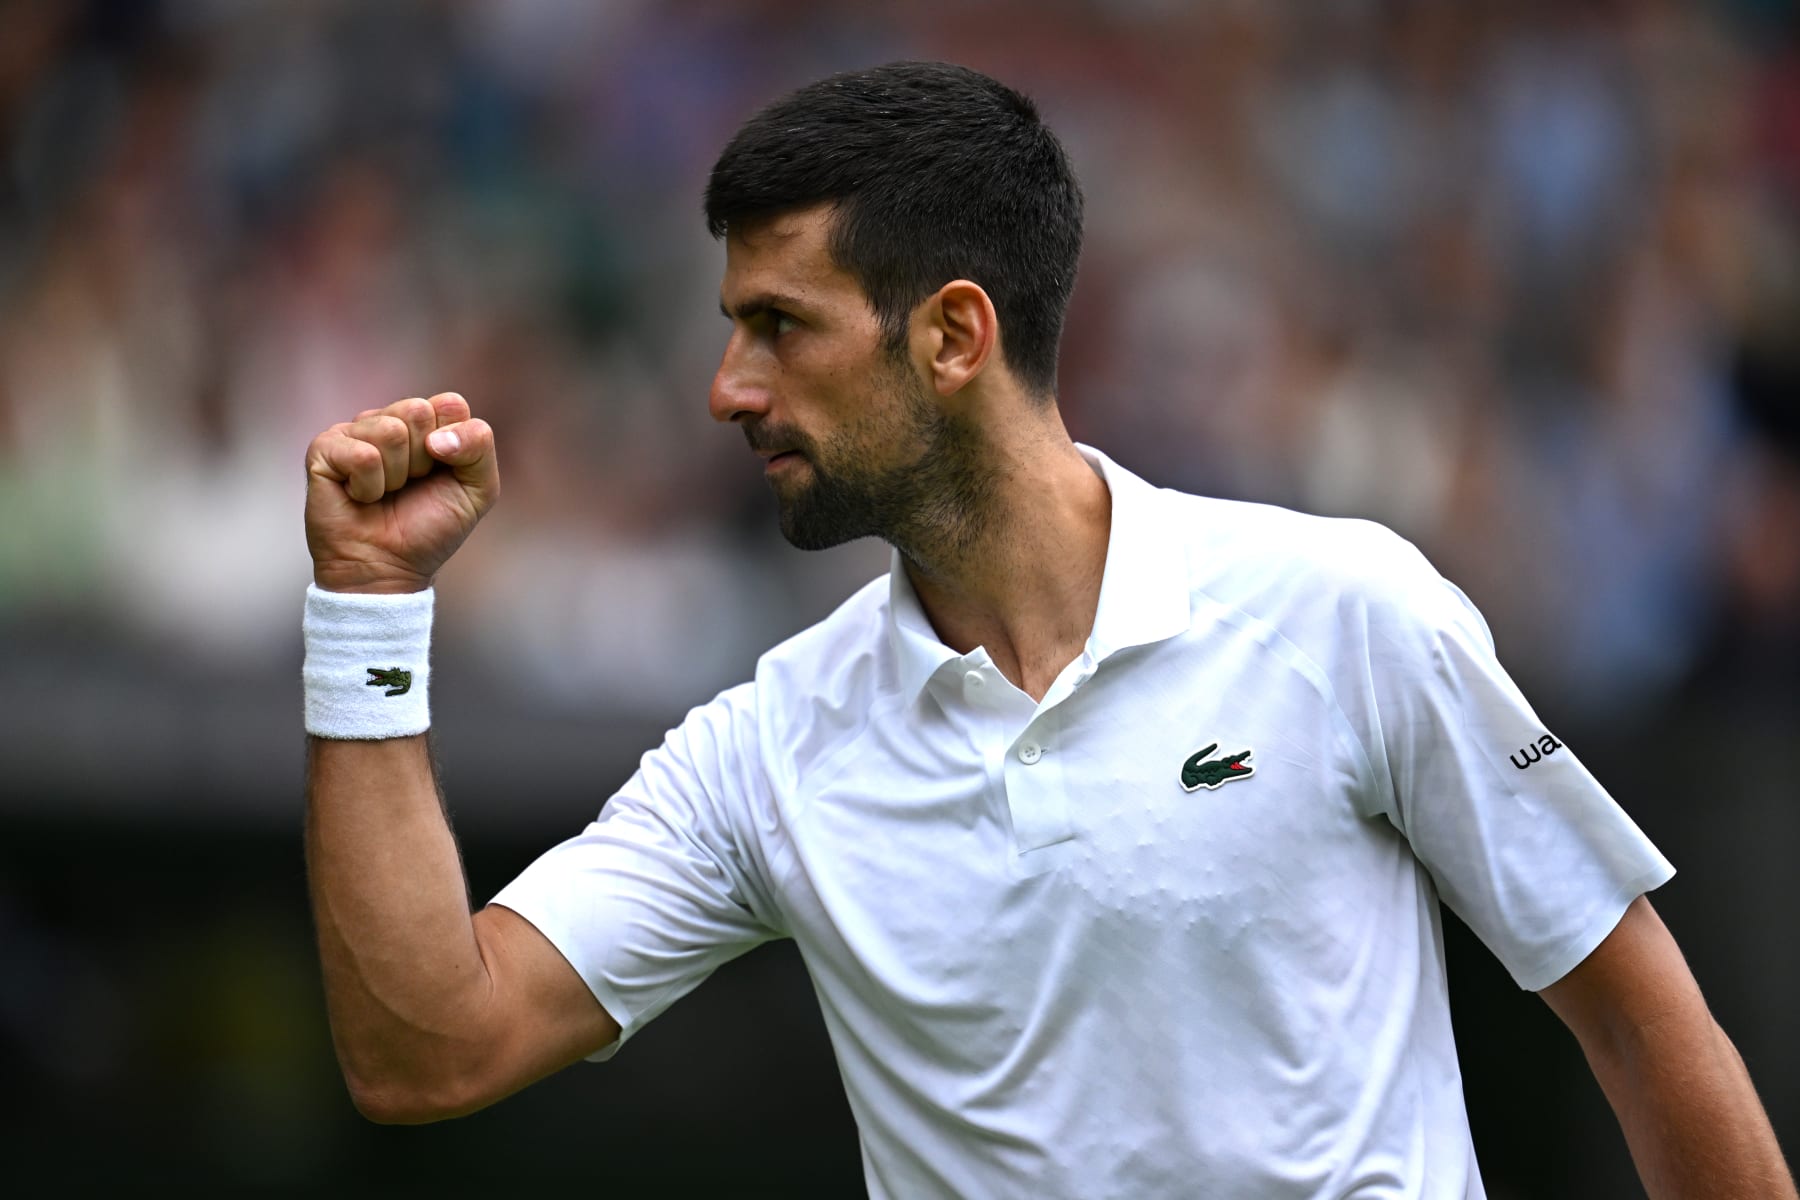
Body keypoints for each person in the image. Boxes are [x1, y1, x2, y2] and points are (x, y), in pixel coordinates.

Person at [301, 62, 1795, 1198]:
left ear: (952, 336)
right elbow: (431, 1045)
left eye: (781, 326)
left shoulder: (1347, 612)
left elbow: (1644, 1025)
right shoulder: (768, 748)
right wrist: (369, 609)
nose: (729, 389)